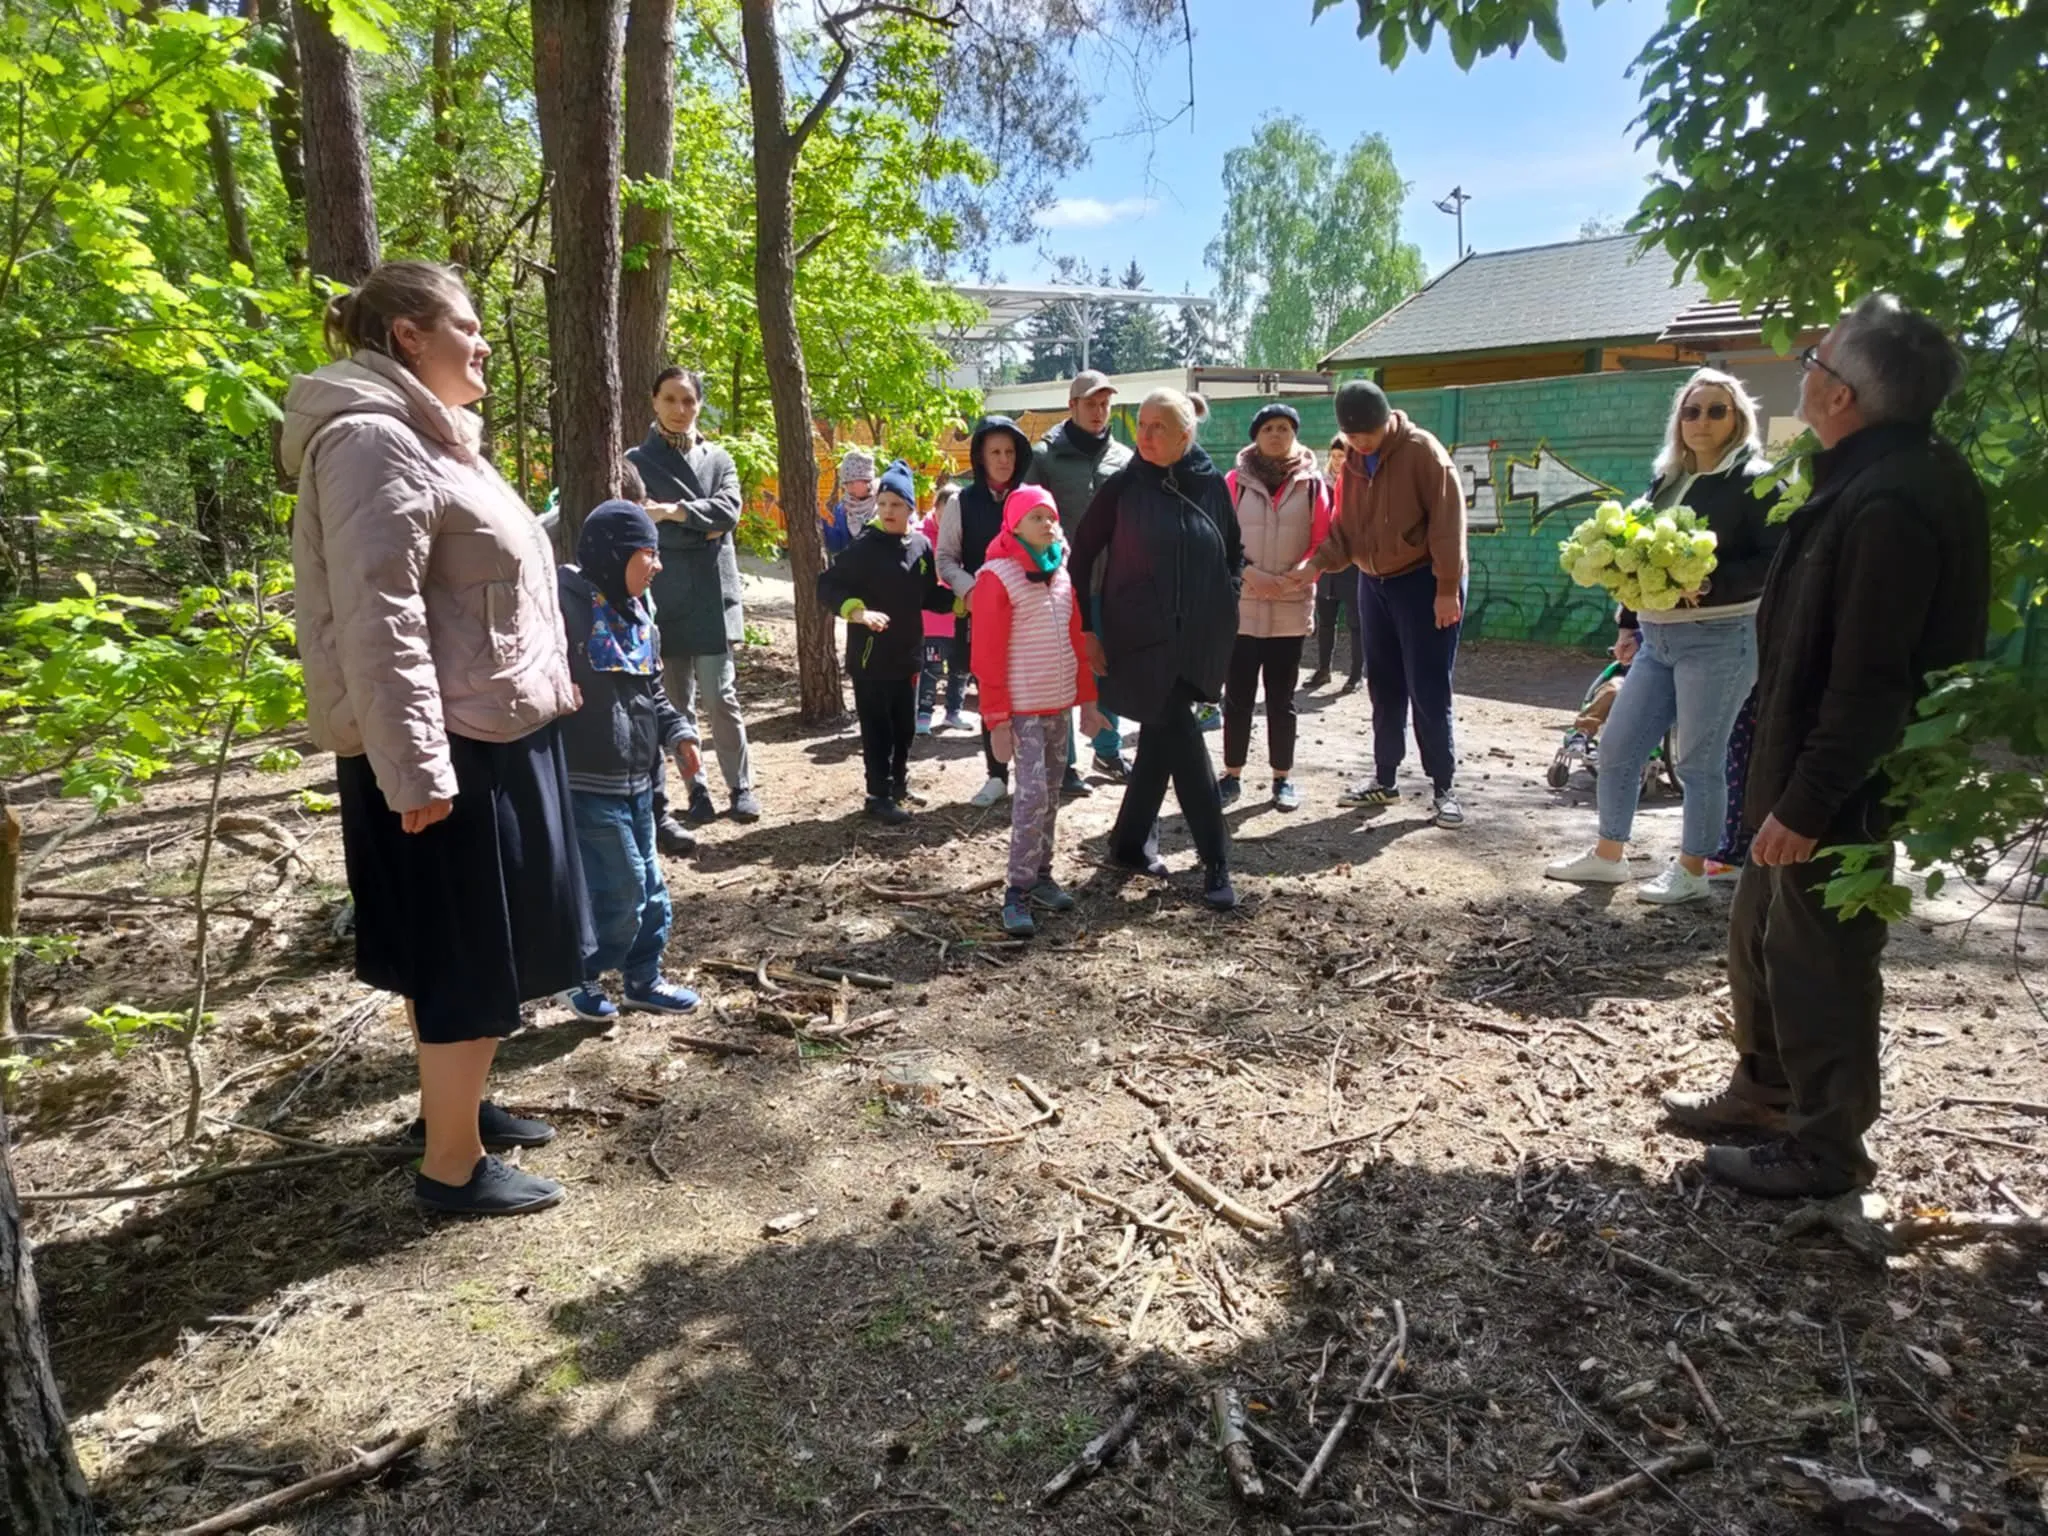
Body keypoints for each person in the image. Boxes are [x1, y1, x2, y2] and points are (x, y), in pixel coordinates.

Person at [1664, 294, 1989, 1199]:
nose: (1804, 367)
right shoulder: (1863, 471)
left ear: (1843, 395)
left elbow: (1876, 679)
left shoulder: (1896, 498)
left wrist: (1808, 801)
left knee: (1823, 961)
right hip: (1800, 759)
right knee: (1759, 937)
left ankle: (1827, 1147)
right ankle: (1764, 1094)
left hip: (1838, 776)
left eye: (1817, 358)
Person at [283, 260, 584, 1218]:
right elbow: (378, 619)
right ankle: (452, 1170)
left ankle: (455, 1112)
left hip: (480, 727)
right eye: (467, 324)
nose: (484, 341)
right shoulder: (374, 440)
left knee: (465, 947)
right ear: (409, 335)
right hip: (446, 746)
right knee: (462, 953)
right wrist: (415, 770)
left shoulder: (438, 439)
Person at [1545, 369, 1783, 903]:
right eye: (1691, 411)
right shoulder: (1665, 481)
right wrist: (1628, 623)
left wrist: (1711, 580)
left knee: (1700, 761)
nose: (1701, 421)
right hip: (1658, 641)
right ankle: (1610, 856)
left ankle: (1693, 870)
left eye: (1715, 410)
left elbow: (1776, 560)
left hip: (1720, 639)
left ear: (1738, 419)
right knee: (1619, 747)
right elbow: (1636, 556)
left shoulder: (1757, 481)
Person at [1070, 388, 1244, 910]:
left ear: (1186, 436)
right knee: (1182, 736)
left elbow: (1234, 552)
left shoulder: (1212, 484)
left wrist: (1225, 602)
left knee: (1161, 739)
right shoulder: (1123, 487)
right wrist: (1087, 629)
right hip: (1138, 639)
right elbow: (1080, 558)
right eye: (1141, 425)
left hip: (1197, 640)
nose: (1143, 436)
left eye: (1158, 428)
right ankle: (1216, 859)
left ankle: (1128, 843)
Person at [555, 501, 704, 1022]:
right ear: (614, 554)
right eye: (648, 553)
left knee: (651, 889)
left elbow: (654, 693)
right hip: (587, 782)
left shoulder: (640, 612)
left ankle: (644, 978)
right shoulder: (564, 607)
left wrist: (679, 733)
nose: (658, 564)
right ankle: (580, 976)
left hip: (641, 782)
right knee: (617, 890)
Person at [1310, 380, 1468, 829]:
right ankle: (1385, 779)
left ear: (1386, 420)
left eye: (1367, 434)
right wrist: (1315, 565)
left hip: (1423, 582)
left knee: (1428, 686)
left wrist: (1446, 588)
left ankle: (1444, 788)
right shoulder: (1353, 462)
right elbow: (1345, 528)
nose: (1359, 444)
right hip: (1373, 582)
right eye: (1351, 437)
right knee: (1383, 684)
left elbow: (1447, 525)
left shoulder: (1423, 452)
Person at [627, 368, 762, 831]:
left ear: (699, 405)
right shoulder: (635, 461)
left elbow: (728, 513)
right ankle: (696, 789)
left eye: (689, 401)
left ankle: (741, 787)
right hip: (661, 595)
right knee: (675, 703)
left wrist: (670, 512)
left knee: (722, 697)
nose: (680, 410)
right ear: (654, 401)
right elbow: (638, 525)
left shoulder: (718, 458)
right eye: (671, 399)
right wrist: (699, 529)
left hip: (710, 596)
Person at [971, 485, 1102, 936]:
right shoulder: (998, 576)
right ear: (1014, 526)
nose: (1048, 524)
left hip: (1057, 706)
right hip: (1022, 711)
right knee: (1030, 798)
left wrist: (1087, 702)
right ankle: (1017, 891)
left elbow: (1076, 641)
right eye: (1036, 518)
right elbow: (986, 653)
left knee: (1050, 793)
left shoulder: (1061, 574)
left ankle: (1042, 874)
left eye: (1051, 517)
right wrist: (996, 718)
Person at [817, 460, 954, 823]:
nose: (889, 511)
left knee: (904, 727)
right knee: (877, 729)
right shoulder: (864, 547)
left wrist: (961, 603)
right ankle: (877, 795)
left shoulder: (920, 545)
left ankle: (898, 786)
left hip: (907, 656)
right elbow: (827, 585)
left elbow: (926, 594)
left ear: (911, 507)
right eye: (883, 504)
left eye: (897, 504)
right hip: (870, 660)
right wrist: (856, 612)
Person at [1219, 403, 1330, 812]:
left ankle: (1282, 779)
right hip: (1243, 608)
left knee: (1282, 699)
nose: (1277, 435)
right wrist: (1250, 575)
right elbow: (1222, 541)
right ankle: (1231, 775)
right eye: (1268, 428)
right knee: (1238, 698)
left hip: (1290, 606)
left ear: (1294, 434)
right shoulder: (1235, 483)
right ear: (1256, 435)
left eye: (1284, 428)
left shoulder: (1314, 485)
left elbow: (1323, 542)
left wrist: (1304, 571)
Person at [1027, 369, 1135, 786]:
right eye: (1090, 403)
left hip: (1114, 583)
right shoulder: (1045, 456)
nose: (1099, 411)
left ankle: (1107, 752)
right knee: (1063, 670)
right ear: (1071, 406)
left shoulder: (1124, 458)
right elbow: (1028, 514)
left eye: (1105, 404)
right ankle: (1064, 760)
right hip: (1060, 583)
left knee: (1108, 664)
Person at [938, 416, 1035, 809]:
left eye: (1010, 452)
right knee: (992, 696)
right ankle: (996, 777)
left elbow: (1051, 546)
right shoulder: (962, 503)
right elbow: (945, 559)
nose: (1003, 460)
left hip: (1029, 618)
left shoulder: (1031, 498)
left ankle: (1032, 776)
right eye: (995, 451)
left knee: (1030, 697)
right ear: (980, 456)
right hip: (983, 619)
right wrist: (972, 591)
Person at [1307, 434, 1365, 691]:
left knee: (1355, 621)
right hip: (1325, 560)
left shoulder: (1360, 484)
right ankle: (1323, 670)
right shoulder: (1320, 484)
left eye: (1344, 456)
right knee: (1326, 619)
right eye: (1336, 455)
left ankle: (1355, 675)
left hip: (1351, 563)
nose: (1339, 461)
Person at [917, 481, 968, 734]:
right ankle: (924, 714)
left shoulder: (967, 533)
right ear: (935, 507)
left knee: (961, 668)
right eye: (944, 512)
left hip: (961, 615)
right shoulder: (920, 535)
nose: (949, 520)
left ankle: (953, 712)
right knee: (931, 667)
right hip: (932, 618)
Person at [824, 447, 878, 557]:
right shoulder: (842, 509)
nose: (849, 488)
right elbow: (836, 546)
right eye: (846, 483)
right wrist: (827, 524)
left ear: (867, 480)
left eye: (852, 483)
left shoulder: (886, 503)